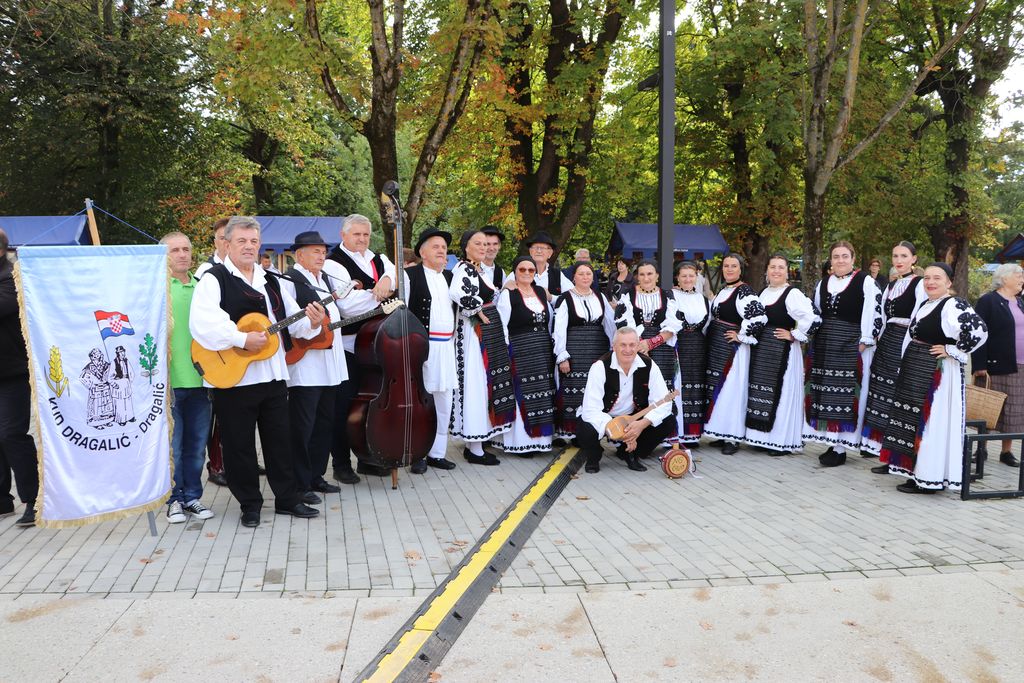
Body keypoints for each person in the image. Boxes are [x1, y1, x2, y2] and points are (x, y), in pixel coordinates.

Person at [189, 216, 325, 528]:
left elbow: (293, 320)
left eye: (253, 241)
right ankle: (249, 504)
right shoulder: (214, 279)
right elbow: (203, 323)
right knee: (239, 446)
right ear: (227, 244)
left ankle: (287, 499)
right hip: (234, 378)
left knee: (280, 441)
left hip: (272, 375)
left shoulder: (271, 281)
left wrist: (312, 322)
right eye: (242, 241)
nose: (248, 247)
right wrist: (241, 339)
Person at [879, 264, 987, 493]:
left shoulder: (953, 304)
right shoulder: (926, 304)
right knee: (913, 420)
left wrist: (952, 349)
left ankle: (930, 478)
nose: (930, 282)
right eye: (927, 278)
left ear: (949, 282)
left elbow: (979, 331)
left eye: (937, 278)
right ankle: (917, 473)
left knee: (931, 423)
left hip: (936, 372)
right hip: (915, 368)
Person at [322, 213, 397, 481]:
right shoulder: (333, 263)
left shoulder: (377, 258)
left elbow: (398, 274)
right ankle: (341, 464)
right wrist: (379, 295)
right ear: (343, 235)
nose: (362, 239)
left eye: (365, 234)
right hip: (349, 346)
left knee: (370, 406)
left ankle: (368, 458)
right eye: (356, 234)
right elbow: (347, 305)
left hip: (377, 344)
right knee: (344, 406)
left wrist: (387, 281)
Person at [280, 231, 350, 504]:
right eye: (315, 251)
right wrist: (310, 325)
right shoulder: (289, 280)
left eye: (323, 251)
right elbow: (286, 322)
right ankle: (299, 483)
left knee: (324, 423)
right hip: (305, 367)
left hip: (329, 365)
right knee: (302, 428)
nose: (321, 256)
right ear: (299, 255)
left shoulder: (326, 280)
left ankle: (315, 475)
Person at [804, 241, 883, 466]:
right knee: (826, 395)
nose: (840, 260)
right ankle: (832, 443)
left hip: (851, 343)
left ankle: (841, 448)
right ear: (831, 260)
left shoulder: (865, 281)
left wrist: (865, 341)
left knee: (847, 395)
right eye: (836, 256)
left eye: (845, 256)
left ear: (853, 258)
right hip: (826, 345)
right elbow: (816, 313)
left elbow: (874, 312)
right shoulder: (823, 283)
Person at [161, 231, 214, 523]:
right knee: (174, 447)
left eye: (186, 249)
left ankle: (192, 497)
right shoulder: (156, 289)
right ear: (163, 256)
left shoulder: (204, 287)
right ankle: (174, 499)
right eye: (175, 250)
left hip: (202, 379)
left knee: (196, 446)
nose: (182, 254)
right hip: (169, 381)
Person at [450, 230, 515, 464]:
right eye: (477, 243)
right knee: (476, 384)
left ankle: (475, 444)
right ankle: (475, 447)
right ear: (466, 247)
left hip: (485, 331)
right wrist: (477, 310)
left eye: (485, 244)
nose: (483, 247)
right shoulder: (464, 269)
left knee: (483, 384)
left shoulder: (477, 269)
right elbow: (456, 292)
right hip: (473, 334)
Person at [743, 255, 819, 454]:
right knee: (760, 391)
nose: (776, 271)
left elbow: (812, 318)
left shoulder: (792, 293)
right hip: (762, 351)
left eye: (781, 267)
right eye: (773, 267)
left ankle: (781, 442)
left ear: (787, 272)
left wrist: (794, 334)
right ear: (767, 270)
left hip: (783, 351)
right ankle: (761, 438)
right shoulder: (762, 292)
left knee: (782, 394)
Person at [578, 328, 676, 473]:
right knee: (586, 430)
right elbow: (591, 409)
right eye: (623, 345)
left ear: (638, 346)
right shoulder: (599, 367)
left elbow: (664, 402)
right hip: (603, 416)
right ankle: (594, 455)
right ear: (614, 346)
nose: (628, 350)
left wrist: (641, 425)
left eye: (632, 345)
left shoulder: (649, 365)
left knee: (667, 421)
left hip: (633, 417)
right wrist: (620, 431)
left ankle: (630, 452)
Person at [862, 241, 925, 461]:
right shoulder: (890, 285)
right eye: (895, 256)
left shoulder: (919, 284)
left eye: (904, 256)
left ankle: (896, 448)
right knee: (881, 391)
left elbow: (919, 317)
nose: (898, 260)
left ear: (914, 259)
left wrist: (909, 346)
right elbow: (881, 316)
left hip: (905, 341)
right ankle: (877, 444)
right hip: (887, 341)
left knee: (898, 393)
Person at [404, 227, 459, 473]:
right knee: (421, 400)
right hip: (422, 348)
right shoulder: (410, 275)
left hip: (447, 347)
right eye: (436, 247)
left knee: (444, 401)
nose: (441, 251)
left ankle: (437, 453)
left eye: (444, 248)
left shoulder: (451, 277)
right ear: (422, 252)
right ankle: (418, 454)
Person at [702, 253, 766, 454]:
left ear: (741, 269)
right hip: (717, 345)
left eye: (733, 266)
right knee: (720, 390)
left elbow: (759, 317)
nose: (729, 269)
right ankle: (722, 433)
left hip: (733, 350)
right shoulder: (724, 290)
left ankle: (733, 437)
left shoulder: (744, 291)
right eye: (726, 266)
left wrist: (741, 335)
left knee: (732, 390)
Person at [497, 256, 558, 455]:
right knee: (522, 393)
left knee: (542, 394)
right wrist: (505, 350)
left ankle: (541, 441)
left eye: (531, 270)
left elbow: (550, 319)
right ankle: (521, 443)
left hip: (542, 350)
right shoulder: (508, 294)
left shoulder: (540, 291)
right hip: (520, 349)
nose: (526, 273)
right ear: (515, 272)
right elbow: (502, 324)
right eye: (522, 269)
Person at [0, 228, 39, 528]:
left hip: (12, 372)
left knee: (12, 435)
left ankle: (34, 499)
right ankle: (3, 500)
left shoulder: (12, 277)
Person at [614, 260, 680, 437]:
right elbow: (623, 321)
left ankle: (664, 434)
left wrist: (650, 343)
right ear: (637, 277)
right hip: (633, 346)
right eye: (642, 274)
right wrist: (638, 344)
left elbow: (674, 324)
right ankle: (634, 433)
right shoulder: (627, 294)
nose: (646, 278)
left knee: (663, 387)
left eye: (650, 274)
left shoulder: (667, 295)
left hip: (662, 347)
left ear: (657, 275)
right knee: (637, 388)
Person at [552, 261, 616, 440]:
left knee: (596, 390)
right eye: (581, 274)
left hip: (598, 350)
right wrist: (562, 356)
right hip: (575, 350)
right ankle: (576, 434)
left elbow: (610, 324)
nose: (585, 277)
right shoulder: (565, 298)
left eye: (588, 274)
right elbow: (559, 329)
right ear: (573, 277)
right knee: (575, 391)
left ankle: (596, 430)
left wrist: (614, 350)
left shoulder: (600, 297)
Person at [972, 262, 1024, 468]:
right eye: (1018, 276)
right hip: (996, 364)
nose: (1022, 280)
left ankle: (1006, 451)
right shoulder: (988, 301)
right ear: (1004, 278)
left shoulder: (1020, 302)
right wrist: (979, 364)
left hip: (1020, 365)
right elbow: (978, 334)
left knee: (1014, 410)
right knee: (989, 409)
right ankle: (981, 449)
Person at [195, 217, 230, 487]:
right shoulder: (207, 271)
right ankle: (217, 465)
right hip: (217, 348)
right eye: (223, 238)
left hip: (238, 350)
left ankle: (236, 460)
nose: (227, 243)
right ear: (216, 241)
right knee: (218, 411)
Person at [670, 262, 710, 444]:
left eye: (691, 275)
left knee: (696, 389)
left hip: (698, 347)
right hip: (679, 346)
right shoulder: (671, 296)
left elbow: (707, 326)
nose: (688, 279)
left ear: (697, 277)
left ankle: (693, 434)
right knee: (680, 387)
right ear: (677, 277)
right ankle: (678, 432)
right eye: (684, 276)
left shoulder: (703, 299)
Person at [505, 232, 571, 298]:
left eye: (543, 248)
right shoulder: (518, 272)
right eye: (536, 247)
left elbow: (572, 297)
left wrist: (551, 297)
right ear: (530, 251)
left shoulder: (558, 275)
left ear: (550, 253)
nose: (539, 251)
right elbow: (504, 295)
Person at [108, 345, 134, 426]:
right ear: (118, 353)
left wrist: (129, 381)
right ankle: (121, 419)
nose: (123, 354)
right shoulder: (114, 363)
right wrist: (114, 384)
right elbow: (110, 378)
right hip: (118, 386)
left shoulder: (126, 361)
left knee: (128, 401)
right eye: (121, 352)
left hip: (126, 384)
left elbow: (131, 372)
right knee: (120, 403)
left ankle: (129, 417)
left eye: (123, 352)